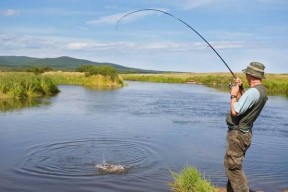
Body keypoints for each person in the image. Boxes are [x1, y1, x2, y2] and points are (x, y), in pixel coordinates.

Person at [224, 62, 268, 192]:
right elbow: (245, 104)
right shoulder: (261, 90)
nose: (245, 75)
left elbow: (235, 111)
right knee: (232, 165)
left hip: (238, 134)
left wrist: (233, 94)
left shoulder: (253, 92)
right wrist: (240, 89)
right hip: (244, 133)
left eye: (246, 73)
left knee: (233, 167)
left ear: (250, 74)